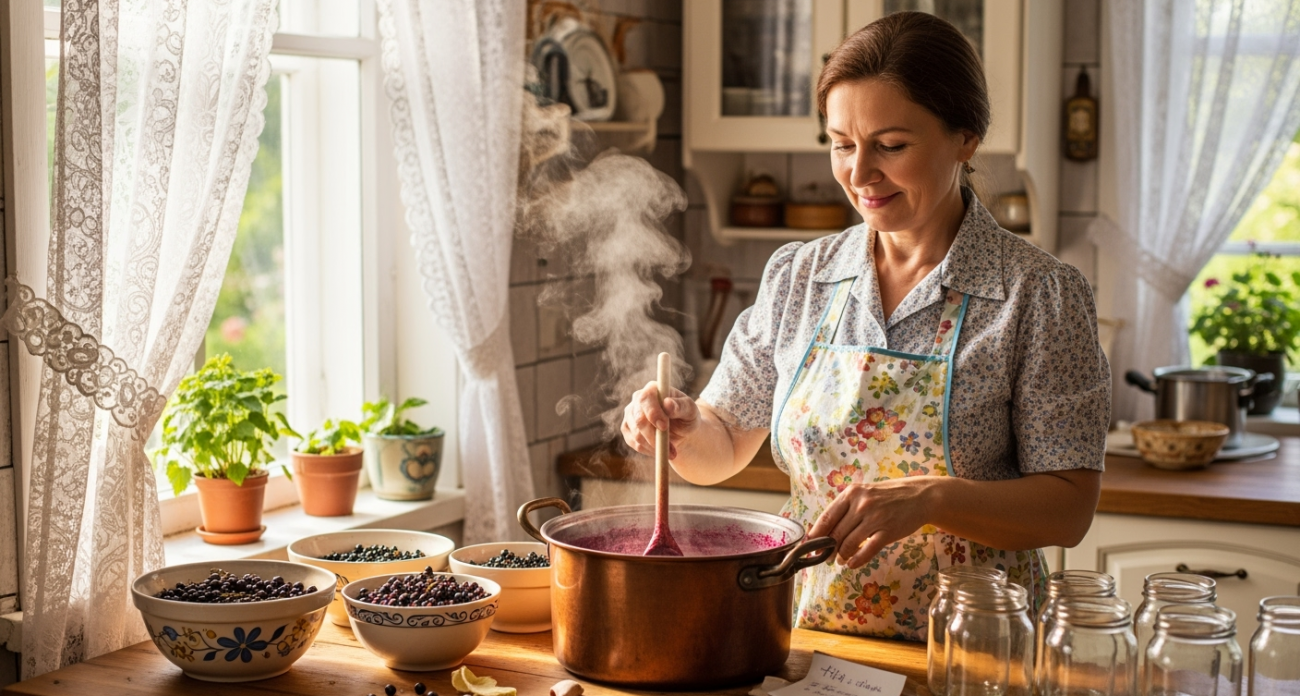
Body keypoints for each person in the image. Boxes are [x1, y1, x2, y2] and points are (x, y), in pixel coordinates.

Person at [620, 11, 1110, 640]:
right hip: (809, 635)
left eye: (892, 145)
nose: (859, 173)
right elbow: (722, 443)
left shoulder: (1039, 294)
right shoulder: (800, 275)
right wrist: (682, 428)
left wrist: (932, 499)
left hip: (971, 650)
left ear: (966, 137)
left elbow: (1068, 507)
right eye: (842, 144)